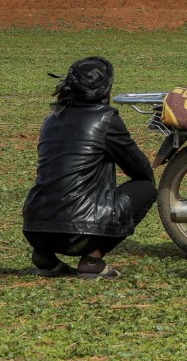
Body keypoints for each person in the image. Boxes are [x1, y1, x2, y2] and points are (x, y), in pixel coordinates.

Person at [23, 57, 157, 279]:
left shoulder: (51, 119)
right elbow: (139, 169)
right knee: (146, 188)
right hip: (79, 234)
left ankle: (45, 256)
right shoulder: (106, 119)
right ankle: (93, 260)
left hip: (34, 228)